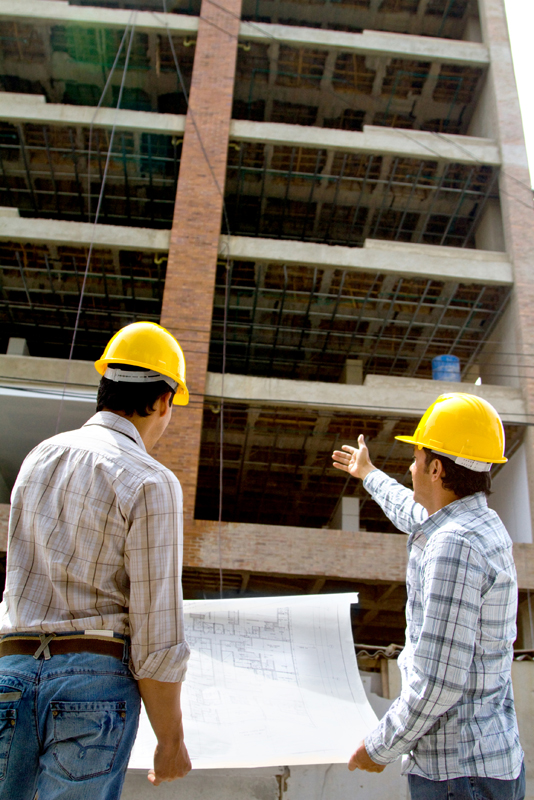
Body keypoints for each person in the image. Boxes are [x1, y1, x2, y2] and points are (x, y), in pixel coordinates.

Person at [0, 321, 192, 799]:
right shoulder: (151, 480)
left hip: (10, 671)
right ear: (163, 401)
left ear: (104, 386)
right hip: (92, 683)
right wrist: (170, 740)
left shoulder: (38, 458)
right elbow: (156, 633)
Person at [332, 392, 525, 800]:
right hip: (487, 763)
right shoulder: (479, 523)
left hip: (457, 776)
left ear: (435, 469)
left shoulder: (454, 545)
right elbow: (413, 511)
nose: (410, 467)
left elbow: (438, 683)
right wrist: (367, 473)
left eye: (416, 457)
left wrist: (378, 747)